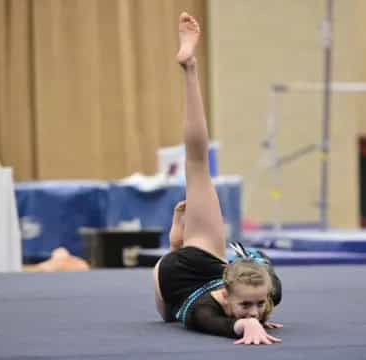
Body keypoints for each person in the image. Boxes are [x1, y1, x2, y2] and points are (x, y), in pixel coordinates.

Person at [152, 12, 282, 345]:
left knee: (169, 314)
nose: (254, 313)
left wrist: (248, 321)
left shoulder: (261, 292)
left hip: (175, 277)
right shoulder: (214, 305)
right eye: (247, 306)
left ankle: (176, 242)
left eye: (258, 305)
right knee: (197, 165)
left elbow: (221, 314)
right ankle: (190, 67)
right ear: (225, 295)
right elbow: (228, 323)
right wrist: (244, 326)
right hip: (196, 263)